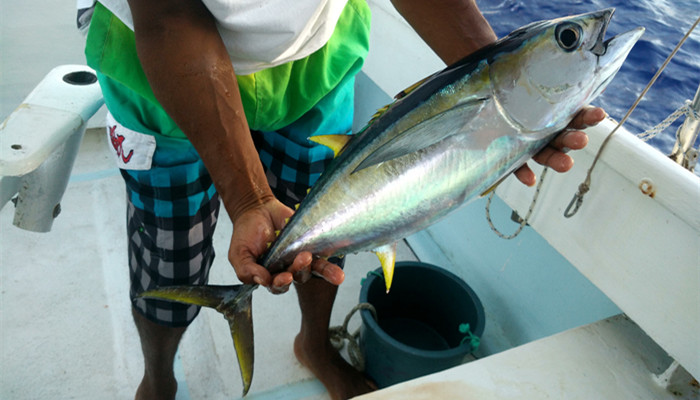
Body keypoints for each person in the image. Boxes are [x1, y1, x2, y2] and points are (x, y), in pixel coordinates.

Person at [81, 0, 603, 399]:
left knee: (338, 226)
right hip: (164, 70)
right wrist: (247, 197)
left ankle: (314, 343)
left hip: (315, 59)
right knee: (169, 253)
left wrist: (503, 100)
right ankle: (159, 380)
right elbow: (167, 16)